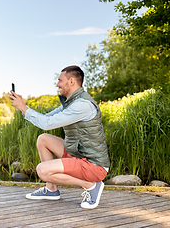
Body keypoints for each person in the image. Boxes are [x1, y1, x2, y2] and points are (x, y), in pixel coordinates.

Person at [9, 65, 110, 209]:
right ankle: (51, 189)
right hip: (79, 155)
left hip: (93, 164)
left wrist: (23, 109)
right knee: (43, 139)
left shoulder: (82, 105)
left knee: (42, 170)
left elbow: (47, 123)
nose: (57, 84)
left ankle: (92, 185)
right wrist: (24, 107)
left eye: (60, 80)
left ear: (71, 81)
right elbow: (45, 119)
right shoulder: (71, 103)